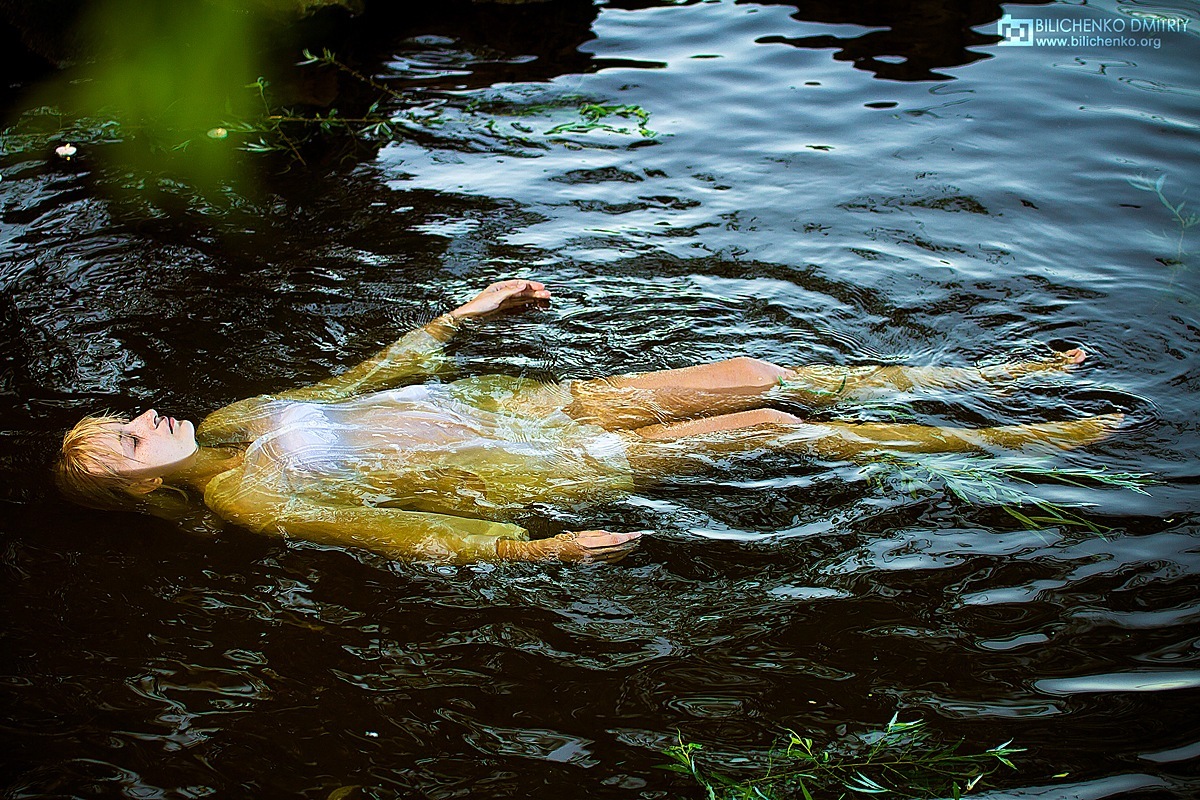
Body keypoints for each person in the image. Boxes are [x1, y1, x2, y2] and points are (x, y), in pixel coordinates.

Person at [54, 279, 1122, 564]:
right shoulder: (249, 497)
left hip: (542, 406)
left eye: (134, 415)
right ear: (140, 483)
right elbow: (398, 535)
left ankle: (995, 373)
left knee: (768, 369)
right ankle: (1016, 439)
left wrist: (461, 316)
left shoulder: (240, 418)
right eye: (136, 437)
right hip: (551, 465)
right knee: (782, 429)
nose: (151, 417)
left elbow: (369, 378)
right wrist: (549, 549)